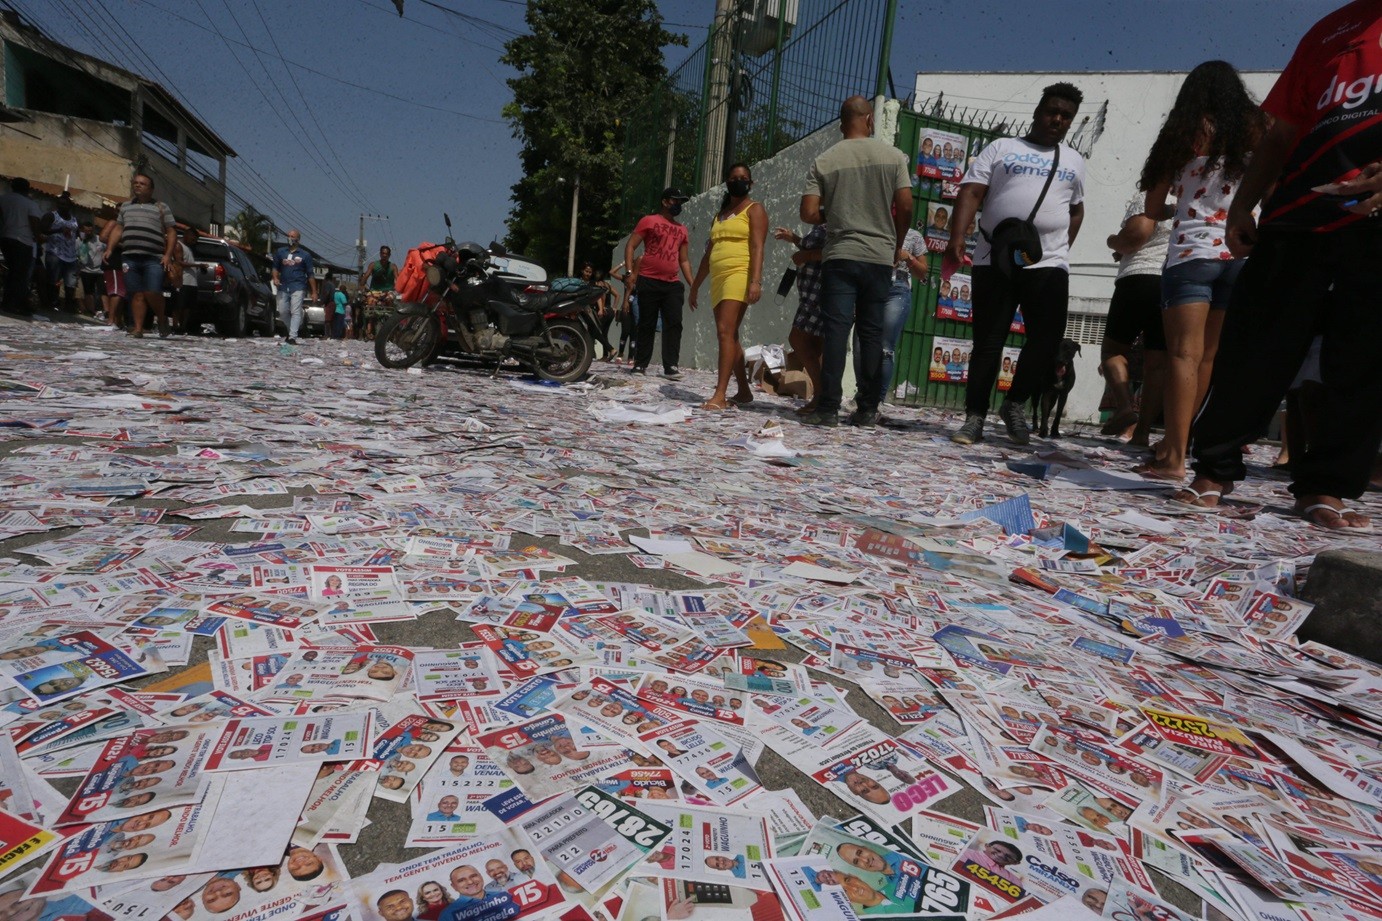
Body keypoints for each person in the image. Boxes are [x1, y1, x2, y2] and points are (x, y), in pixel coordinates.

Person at [1178, 1, 1382, 531]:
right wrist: (1243, 204)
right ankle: (1214, 470)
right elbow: (1280, 132)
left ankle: (1327, 487)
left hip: (1376, 226)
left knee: (1361, 360)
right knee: (1254, 347)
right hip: (1297, 216)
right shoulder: (1329, 30)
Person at [1133, 62, 1264, 481]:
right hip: (1239, 254)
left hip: (1192, 252)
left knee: (1182, 354)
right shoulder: (1256, 130)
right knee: (1208, 357)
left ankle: (1172, 455)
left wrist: (1185, 199)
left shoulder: (1184, 132)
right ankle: (1187, 442)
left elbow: (1152, 209)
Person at [948, 83, 1086, 445]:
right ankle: (975, 416)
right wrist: (957, 237)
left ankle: (1014, 404)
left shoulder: (1074, 160)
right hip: (996, 257)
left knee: (1047, 339)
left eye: (1066, 116)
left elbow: (1076, 210)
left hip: (1047, 262)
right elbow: (972, 192)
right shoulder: (1002, 147)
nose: (1058, 119)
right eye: (1052, 111)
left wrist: (1058, 249)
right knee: (988, 342)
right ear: (1038, 111)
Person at [798, 96, 913, 427]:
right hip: (878, 256)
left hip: (840, 255)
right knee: (872, 332)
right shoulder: (892, 157)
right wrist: (897, 243)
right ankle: (866, 408)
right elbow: (905, 206)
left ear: (841, 124)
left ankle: (828, 407)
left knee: (836, 330)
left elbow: (808, 213)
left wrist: (836, 211)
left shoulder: (825, 160)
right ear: (870, 120)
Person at [690, 163, 768, 410]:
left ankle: (720, 395)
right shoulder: (720, 215)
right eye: (734, 178)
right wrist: (695, 286)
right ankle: (744, 391)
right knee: (730, 335)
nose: (739, 181)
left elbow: (757, 247)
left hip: (739, 274)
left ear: (751, 183)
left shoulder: (754, 210)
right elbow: (708, 254)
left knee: (724, 332)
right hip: (718, 278)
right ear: (727, 182)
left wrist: (755, 281)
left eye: (744, 178)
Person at [1101, 190, 1172, 444]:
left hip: (1138, 277)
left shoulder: (1152, 195)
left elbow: (1135, 235)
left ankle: (1124, 407)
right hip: (1172, 281)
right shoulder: (1193, 194)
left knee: (1112, 351)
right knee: (1158, 362)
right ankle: (1142, 433)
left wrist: (1113, 241)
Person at [854, 216, 925, 415]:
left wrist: (908, 257)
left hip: (897, 290)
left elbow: (923, 272)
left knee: (885, 347)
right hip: (870, 285)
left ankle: (877, 399)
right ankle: (862, 394)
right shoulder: (874, 228)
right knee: (860, 343)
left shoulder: (914, 236)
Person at [623, 187, 695, 378]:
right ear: (664, 201)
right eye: (675, 200)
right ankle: (640, 364)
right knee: (646, 323)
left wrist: (692, 284)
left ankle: (670, 366)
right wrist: (630, 272)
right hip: (648, 280)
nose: (678, 205)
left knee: (674, 324)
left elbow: (684, 260)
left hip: (672, 284)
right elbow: (631, 245)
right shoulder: (649, 221)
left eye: (680, 202)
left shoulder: (682, 230)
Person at [104, 174, 177, 338]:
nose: (138, 186)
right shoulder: (125, 207)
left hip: (154, 257)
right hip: (130, 257)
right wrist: (110, 248)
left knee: (152, 290)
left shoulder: (161, 207)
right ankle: (138, 328)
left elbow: (171, 232)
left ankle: (162, 318)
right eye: (135, 183)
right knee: (135, 293)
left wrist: (167, 255)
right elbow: (118, 229)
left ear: (151, 189)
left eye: (142, 184)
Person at [0, 178, 43, 316]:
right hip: (23, 241)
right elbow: (34, 222)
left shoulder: (4, 199)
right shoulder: (30, 204)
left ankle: (8, 302)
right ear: (27, 188)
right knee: (19, 275)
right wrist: (38, 237)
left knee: (12, 272)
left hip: (5, 238)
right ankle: (12, 304)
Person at [272, 230, 317, 344]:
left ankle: (292, 337)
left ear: (298, 239)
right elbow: (275, 268)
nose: (290, 238)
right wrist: (276, 278)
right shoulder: (280, 252)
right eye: (288, 236)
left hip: (298, 286)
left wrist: (314, 292)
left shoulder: (305, 255)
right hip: (283, 286)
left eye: (292, 236)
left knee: (295, 310)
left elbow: (310, 274)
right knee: (282, 311)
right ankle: (293, 329)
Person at [40, 192, 81, 313]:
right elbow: (42, 229)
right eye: (60, 204)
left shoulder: (74, 219)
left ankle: (69, 305)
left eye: (65, 204)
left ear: (70, 206)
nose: (62, 206)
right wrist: (58, 230)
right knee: (53, 279)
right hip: (55, 253)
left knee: (71, 282)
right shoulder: (51, 216)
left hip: (71, 255)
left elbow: (76, 235)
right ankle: (51, 303)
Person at [437, 865, 516, 921]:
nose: (470, 882)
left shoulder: (503, 895)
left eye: (473, 876)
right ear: (453, 886)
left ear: (481, 876)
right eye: (461, 880)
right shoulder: (448, 915)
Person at [172, 225, 198, 334]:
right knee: (179, 305)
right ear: (187, 235)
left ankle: (183, 327)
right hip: (183, 280)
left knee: (188, 307)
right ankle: (175, 326)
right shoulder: (179, 245)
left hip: (192, 282)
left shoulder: (189, 248)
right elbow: (179, 262)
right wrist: (199, 265)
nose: (194, 241)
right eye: (193, 238)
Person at [77, 220, 105, 316]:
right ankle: (91, 310)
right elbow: (80, 256)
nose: (89, 233)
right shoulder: (78, 241)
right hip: (86, 270)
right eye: (86, 231)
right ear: (82, 230)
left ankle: (104, 311)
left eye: (90, 231)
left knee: (102, 292)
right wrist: (83, 241)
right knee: (89, 291)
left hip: (100, 270)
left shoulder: (99, 239)